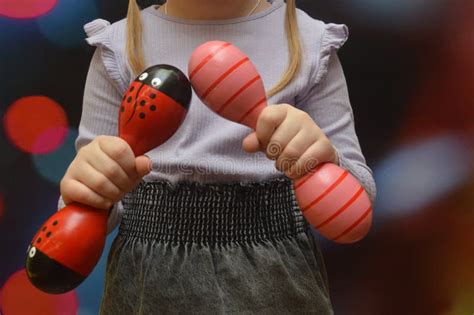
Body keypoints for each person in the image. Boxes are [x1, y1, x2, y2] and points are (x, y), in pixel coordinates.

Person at [58, 0, 376, 313]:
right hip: (149, 282)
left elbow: (357, 205)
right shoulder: (118, 47)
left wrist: (321, 158)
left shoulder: (309, 42)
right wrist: (91, 186)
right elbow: (87, 209)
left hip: (276, 279)